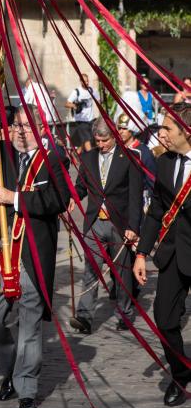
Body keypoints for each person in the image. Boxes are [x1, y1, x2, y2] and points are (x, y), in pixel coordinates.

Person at [0, 104, 70, 408]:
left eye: (27, 126)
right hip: (1, 254)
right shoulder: (2, 154)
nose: (21, 131)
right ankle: (11, 368)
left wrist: (14, 198)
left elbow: (59, 199)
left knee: (29, 324)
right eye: (16, 125)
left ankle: (27, 389)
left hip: (32, 255)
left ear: (41, 128)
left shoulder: (54, 158)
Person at [134, 102, 191, 407]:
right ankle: (180, 375)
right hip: (172, 254)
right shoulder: (165, 162)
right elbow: (156, 209)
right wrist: (141, 253)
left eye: (167, 128)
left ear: (187, 132)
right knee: (165, 319)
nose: (161, 134)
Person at [69, 117, 143, 335]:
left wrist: (133, 227)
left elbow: (135, 197)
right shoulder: (88, 157)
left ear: (114, 136)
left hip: (119, 224)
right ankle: (84, 317)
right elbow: (81, 186)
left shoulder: (129, 158)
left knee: (121, 273)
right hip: (94, 223)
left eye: (104, 140)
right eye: (97, 140)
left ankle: (125, 313)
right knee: (91, 270)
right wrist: (71, 197)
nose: (100, 144)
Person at [65, 73, 99, 153]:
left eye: (87, 81)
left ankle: (75, 154)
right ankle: (91, 157)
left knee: (87, 140)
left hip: (90, 119)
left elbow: (99, 101)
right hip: (81, 120)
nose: (86, 83)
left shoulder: (91, 90)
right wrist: (75, 106)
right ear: (81, 81)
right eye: (84, 81)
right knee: (87, 140)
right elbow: (66, 104)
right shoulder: (77, 91)